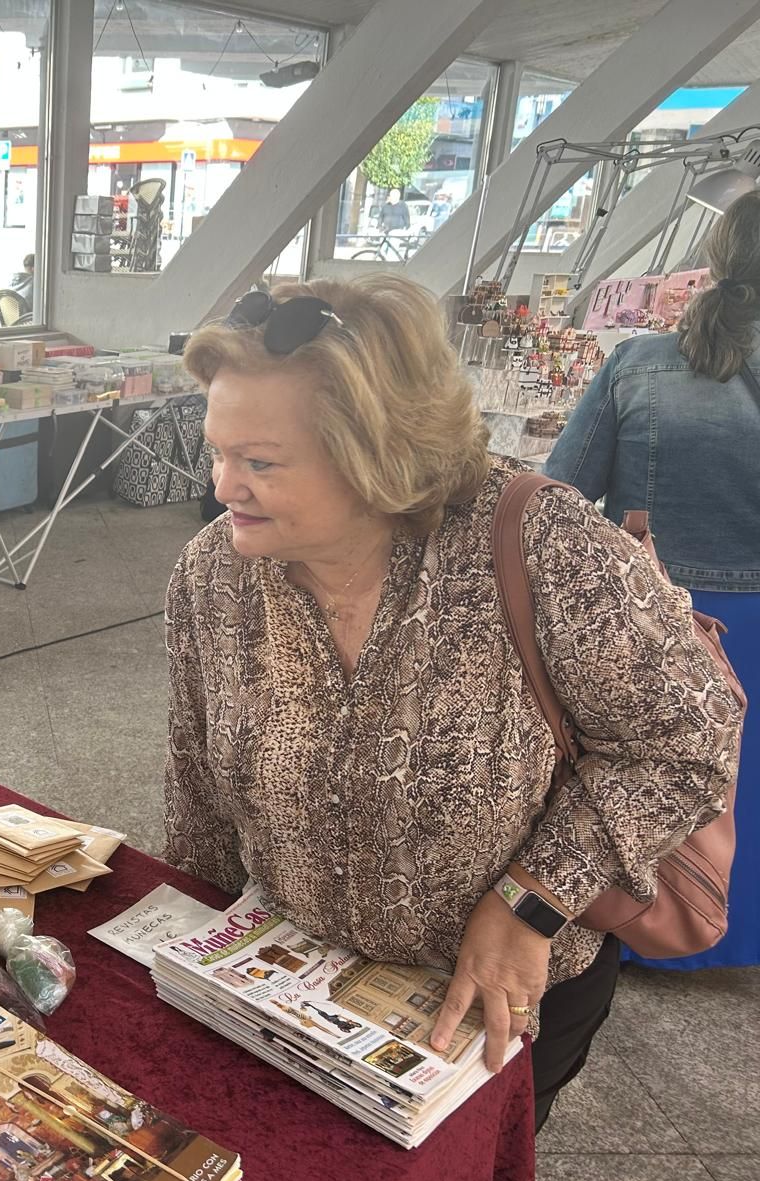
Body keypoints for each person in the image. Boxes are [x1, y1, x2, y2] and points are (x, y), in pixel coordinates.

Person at [165, 275, 741, 1132]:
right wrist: (190, 937)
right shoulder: (216, 572)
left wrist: (533, 901)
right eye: (216, 452)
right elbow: (195, 772)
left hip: (499, 996)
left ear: (376, 452)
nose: (223, 488)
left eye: (260, 462)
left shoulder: (544, 545)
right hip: (292, 982)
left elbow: (686, 741)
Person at [547, 191, 760, 970]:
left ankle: (647, 928)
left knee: (656, 780)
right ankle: (733, 935)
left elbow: (560, 492)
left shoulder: (641, 364)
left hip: (657, 622)